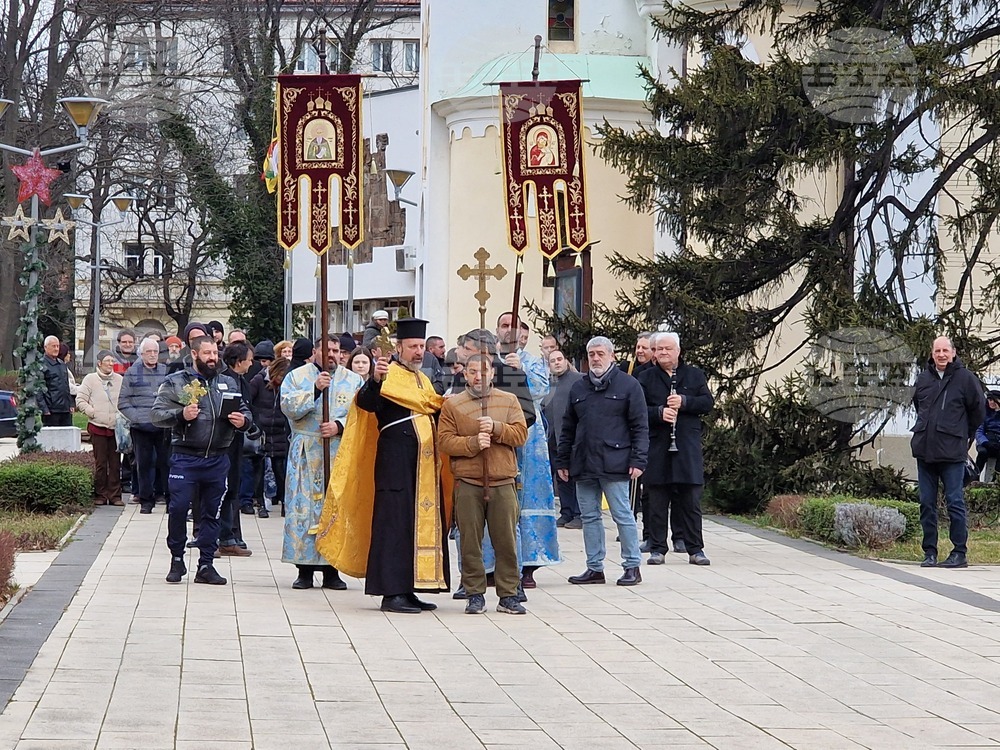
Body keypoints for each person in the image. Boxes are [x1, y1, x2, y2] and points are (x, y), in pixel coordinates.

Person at [315, 318, 449, 614]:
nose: (418, 352)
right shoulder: (386, 375)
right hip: (395, 466)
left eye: (421, 347)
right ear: (398, 347)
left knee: (413, 527)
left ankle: (411, 588)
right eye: (412, 347)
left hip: (424, 469)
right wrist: (375, 380)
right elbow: (366, 404)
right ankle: (392, 593)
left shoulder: (423, 380)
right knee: (394, 527)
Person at [152, 335, 252, 586]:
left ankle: (206, 564)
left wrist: (244, 421)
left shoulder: (228, 383)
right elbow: (156, 415)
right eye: (207, 353)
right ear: (195, 354)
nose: (213, 358)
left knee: (212, 513)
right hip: (185, 457)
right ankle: (177, 558)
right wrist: (181, 414)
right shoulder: (177, 382)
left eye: (215, 353)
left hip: (218, 459)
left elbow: (246, 411)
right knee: (177, 508)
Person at [439, 354, 529, 615]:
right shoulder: (454, 405)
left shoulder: (508, 400)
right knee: (469, 540)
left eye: (484, 371)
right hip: (468, 481)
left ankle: (509, 594)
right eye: (472, 371)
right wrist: (471, 444)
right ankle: (474, 592)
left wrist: (497, 428)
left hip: (502, 480)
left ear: (492, 373)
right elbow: (444, 441)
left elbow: (520, 434)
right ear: (464, 374)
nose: (479, 376)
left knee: (506, 540)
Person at [557, 336, 648, 586]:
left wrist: (639, 460)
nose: (595, 358)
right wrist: (562, 461)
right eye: (591, 354)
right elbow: (568, 427)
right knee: (589, 517)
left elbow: (640, 426)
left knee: (622, 515)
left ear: (612, 355)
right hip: (583, 462)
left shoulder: (629, 385)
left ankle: (632, 565)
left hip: (616, 462)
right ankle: (594, 567)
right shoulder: (579, 387)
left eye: (600, 353)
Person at [280, 337, 362, 590]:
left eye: (337, 351)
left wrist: (339, 425)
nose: (333, 355)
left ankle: (332, 570)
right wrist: (315, 389)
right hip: (306, 451)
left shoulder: (353, 380)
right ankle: (303, 570)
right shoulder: (296, 376)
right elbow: (287, 407)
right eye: (327, 351)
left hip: (339, 451)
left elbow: (361, 416)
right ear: (315, 352)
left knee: (336, 509)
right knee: (304, 510)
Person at [637, 332, 715, 566]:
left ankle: (695, 549)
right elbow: (637, 410)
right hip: (658, 444)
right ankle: (657, 548)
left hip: (686, 446)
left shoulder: (694, 375)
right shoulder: (645, 377)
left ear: (678, 351)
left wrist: (685, 402)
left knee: (690, 499)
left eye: (667, 349)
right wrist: (659, 412)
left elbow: (707, 404)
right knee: (657, 498)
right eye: (658, 349)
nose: (662, 353)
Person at [495, 313, 560, 589]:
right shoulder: (486, 358)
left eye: (514, 326)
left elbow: (542, 390)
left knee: (529, 495)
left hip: (529, 435)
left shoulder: (532, 361)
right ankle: (492, 563)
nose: (509, 331)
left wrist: (519, 369)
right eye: (504, 326)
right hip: (497, 430)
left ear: (524, 333)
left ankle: (529, 563)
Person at [910, 336, 985, 569]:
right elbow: (918, 407)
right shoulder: (923, 379)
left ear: (953, 353)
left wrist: (963, 437)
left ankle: (959, 552)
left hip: (952, 453)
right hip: (925, 451)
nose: (941, 355)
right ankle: (929, 552)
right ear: (932, 354)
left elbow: (978, 412)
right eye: (937, 351)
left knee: (954, 502)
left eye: (945, 350)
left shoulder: (966, 379)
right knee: (926, 503)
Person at [119, 337, 171, 514]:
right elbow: (123, 401)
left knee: (167, 464)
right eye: (148, 351)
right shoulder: (132, 373)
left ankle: (170, 500)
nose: (152, 355)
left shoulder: (166, 371)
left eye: (155, 351)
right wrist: (138, 418)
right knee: (143, 465)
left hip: (163, 426)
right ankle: (146, 501)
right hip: (141, 428)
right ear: (141, 353)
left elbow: (174, 397)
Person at [216, 341, 256, 557]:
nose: (251, 364)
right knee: (223, 490)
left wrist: (250, 425)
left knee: (233, 489)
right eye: (249, 360)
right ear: (238, 361)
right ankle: (220, 537)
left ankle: (230, 536)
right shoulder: (225, 381)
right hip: (225, 444)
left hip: (237, 443)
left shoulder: (242, 380)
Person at [76, 350, 123, 506]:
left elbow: (124, 400)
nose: (110, 364)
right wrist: (91, 412)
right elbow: (80, 400)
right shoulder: (90, 379)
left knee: (115, 463)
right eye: (107, 361)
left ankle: (115, 495)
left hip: (115, 427)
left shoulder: (119, 380)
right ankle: (100, 494)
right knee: (101, 463)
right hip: (97, 427)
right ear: (99, 363)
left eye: (112, 361)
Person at [542, 349, 584, 528]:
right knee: (561, 477)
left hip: (572, 437)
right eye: (553, 361)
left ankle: (578, 513)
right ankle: (566, 512)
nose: (557, 363)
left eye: (560, 359)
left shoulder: (578, 380)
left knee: (574, 476)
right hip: (552, 438)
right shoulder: (547, 383)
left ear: (567, 361)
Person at [247, 357, 291, 518]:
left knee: (280, 470)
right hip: (262, 431)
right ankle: (260, 503)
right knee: (259, 469)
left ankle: (284, 502)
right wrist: (254, 423)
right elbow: (248, 401)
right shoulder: (258, 381)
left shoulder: (286, 385)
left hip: (279, 431)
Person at [39, 336, 73, 427]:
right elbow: (39, 390)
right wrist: (44, 409)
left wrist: (70, 404)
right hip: (51, 410)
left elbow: (66, 386)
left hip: (65, 409)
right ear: (46, 347)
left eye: (57, 346)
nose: (56, 349)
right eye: (53, 346)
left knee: (67, 437)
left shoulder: (62, 364)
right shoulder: (41, 365)